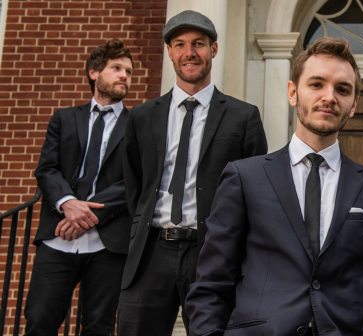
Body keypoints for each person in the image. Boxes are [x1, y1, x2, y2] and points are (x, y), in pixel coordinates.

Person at [185, 36, 363, 335]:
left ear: (354, 105)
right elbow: (211, 287)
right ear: (293, 92)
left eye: (342, 89)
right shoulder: (244, 178)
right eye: (317, 84)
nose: (329, 96)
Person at [119, 10, 268, 335]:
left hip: (213, 251)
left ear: (213, 49)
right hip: (151, 253)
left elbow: (257, 194)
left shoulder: (243, 117)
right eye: (180, 44)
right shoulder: (143, 117)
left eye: (199, 43)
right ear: (170, 52)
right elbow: (134, 185)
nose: (190, 52)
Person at [26, 39, 133, 335]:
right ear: (94, 72)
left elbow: (136, 179)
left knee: (99, 326)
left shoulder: (137, 123)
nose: (124, 75)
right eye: (116, 68)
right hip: (58, 236)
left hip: (108, 241)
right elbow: (47, 169)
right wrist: (68, 203)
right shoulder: (64, 118)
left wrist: (89, 214)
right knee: (40, 320)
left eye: (128, 70)